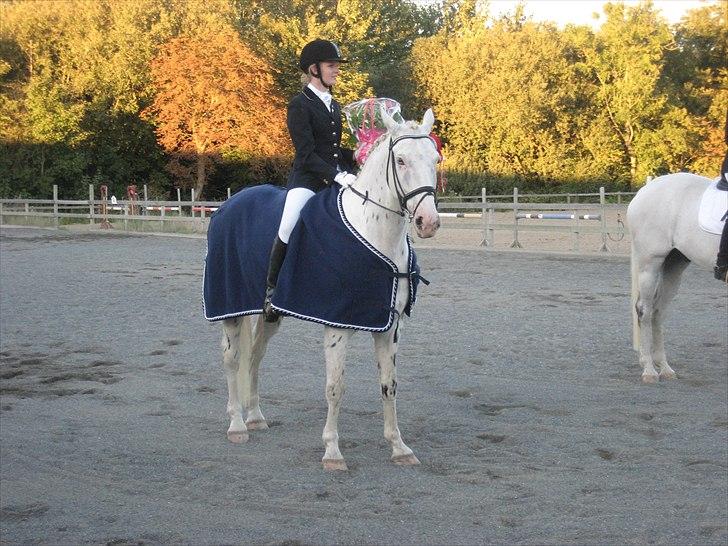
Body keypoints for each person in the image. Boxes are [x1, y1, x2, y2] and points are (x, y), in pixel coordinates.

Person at [263, 39, 357, 321]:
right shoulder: (299, 105)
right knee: (288, 223)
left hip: (334, 178)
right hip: (307, 179)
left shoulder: (335, 105)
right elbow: (306, 154)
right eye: (331, 66)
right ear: (314, 69)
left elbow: (332, 149)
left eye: (336, 66)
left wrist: (359, 155)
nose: (336, 71)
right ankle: (271, 292)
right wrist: (337, 174)